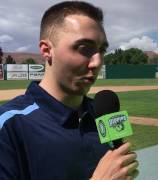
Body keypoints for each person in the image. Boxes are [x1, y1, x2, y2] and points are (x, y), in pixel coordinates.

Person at [0, 1, 138, 180]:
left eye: (101, 51)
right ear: (47, 50)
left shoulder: (103, 114)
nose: (97, 63)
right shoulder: (9, 126)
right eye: (84, 49)